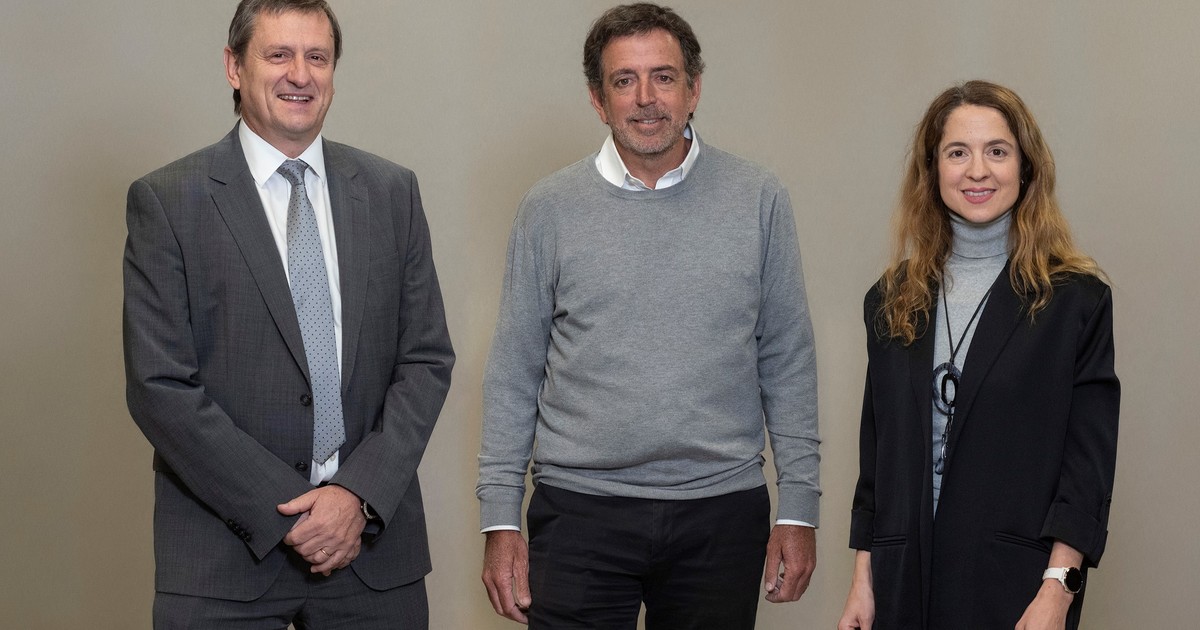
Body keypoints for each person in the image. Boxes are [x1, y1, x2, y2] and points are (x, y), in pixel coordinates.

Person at [476, 3, 821, 628]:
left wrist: (798, 507)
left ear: (693, 89)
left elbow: (788, 358)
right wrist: (500, 518)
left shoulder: (758, 198)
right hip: (579, 510)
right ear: (597, 99)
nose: (645, 99)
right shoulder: (548, 208)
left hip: (721, 509)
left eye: (663, 77)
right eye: (623, 80)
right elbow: (513, 371)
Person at [122, 0, 454, 626]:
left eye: (317, 57)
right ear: (234, 67)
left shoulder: (391, 192)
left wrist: (356, 496)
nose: (300, 74)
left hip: (371, 553)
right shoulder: (168, 201)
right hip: (224, 559)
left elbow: (426, 359)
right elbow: (159, 387)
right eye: (278, 54)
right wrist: (290, 512)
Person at [837, 80, 1119, 630]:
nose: (977, 171)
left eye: (997, 151)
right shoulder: (890, 300)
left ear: (1026, 168)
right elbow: (878, 462)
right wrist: (862, 582)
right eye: (957, 153)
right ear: (932, 169)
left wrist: (1059, 590)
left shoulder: (1075, 302)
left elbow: (1087, 470)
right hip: (901, 587)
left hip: (1017, 590)